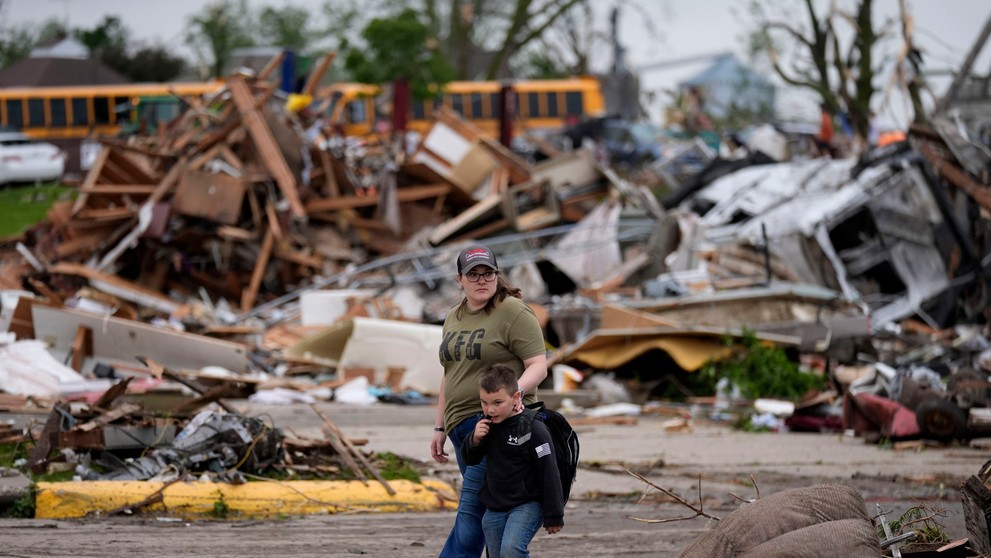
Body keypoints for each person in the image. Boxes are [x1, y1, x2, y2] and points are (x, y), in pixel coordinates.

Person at [432, 244, 548, 557]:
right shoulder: (453, 317)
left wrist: (513, 398)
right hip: (463, 431)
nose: (481, 280)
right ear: (459, 279)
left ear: (497, 276)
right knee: (486, 513)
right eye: (473, 274)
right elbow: (450, 374)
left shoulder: (512, 311)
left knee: (471, 511)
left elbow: (538, 364)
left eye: (488, 273)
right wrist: (440, 427)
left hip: (495, 424)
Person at [461, 364, 564, 557]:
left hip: (527, 504)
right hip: (494, 508)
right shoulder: (487, 426)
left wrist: (554, 514)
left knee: (511, 551)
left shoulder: (533, 429)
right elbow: (470, 459)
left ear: (516, 397)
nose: (490, 409)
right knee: (496, 554)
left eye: (497, 403)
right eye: (484, 402)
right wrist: (474, 439)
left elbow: (549, 470)